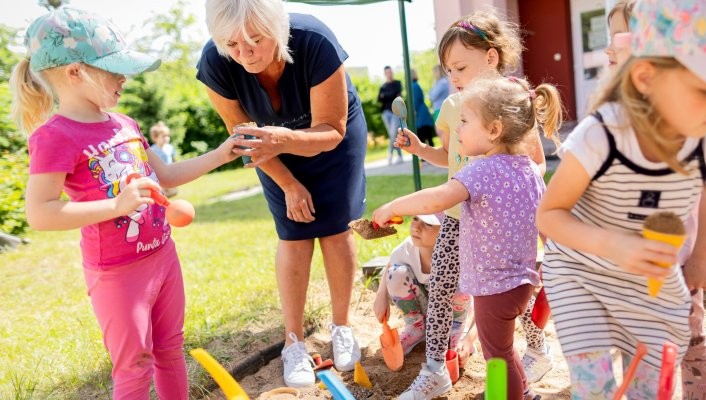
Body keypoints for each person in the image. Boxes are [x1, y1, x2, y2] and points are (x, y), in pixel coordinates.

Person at [536, 0, 706, 398]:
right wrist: (612, 243)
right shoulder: (603, 134)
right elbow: (549, 215)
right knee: (596, 385)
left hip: (648, 280)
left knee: (651, 386)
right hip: (580, 272)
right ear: (646, 77)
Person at [11, 7, 238, 399]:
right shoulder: (55, 136)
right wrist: (117, 207)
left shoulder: (126, 124)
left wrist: (222, 153)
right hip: (117, 273)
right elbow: (40, 212)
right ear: (75, 72)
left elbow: (164, 177)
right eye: (114, 69)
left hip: (163, 255)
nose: (124, 78)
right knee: (134, 365)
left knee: (170, 349)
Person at [196, 0, 368, 388]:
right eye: (232, 45)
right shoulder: (215, 61)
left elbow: (331, 130)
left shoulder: (315, 41)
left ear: (277, 27)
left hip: (330, 140)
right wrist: (288, 182)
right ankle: (293, 341)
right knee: (293, 233)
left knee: (337, 228)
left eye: (255, 40)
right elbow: (244, 138)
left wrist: (284, 138)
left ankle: (342, 326)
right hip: (268, 149)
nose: (244, 54)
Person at [393, 11, 555, 399]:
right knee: (450, 289)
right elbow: (448, 157)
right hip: (458, 215)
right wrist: (419, 150)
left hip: (500, 224)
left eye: (461, 67)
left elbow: (536, 162)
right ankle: (436, 368)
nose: (455, 77)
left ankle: (534, 351)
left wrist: (516, 196)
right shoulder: (453, 106)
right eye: (449, 70)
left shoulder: (516, 103)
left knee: (510, 299)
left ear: (492, 58)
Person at [604, 2, 706, 397]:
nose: (608, 51)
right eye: (610, 43)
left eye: (619, 40)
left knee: (688, 342)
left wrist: (704, 256)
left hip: (679, 267)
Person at [372, 213, 474, 356]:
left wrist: (468, 340)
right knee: (395, 273)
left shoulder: (461, 253)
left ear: (447, 229)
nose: (416, 227)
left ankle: (456, 330)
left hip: (454, 312)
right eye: (415, 219)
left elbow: (487, 303)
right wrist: (381, 295)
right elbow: (391, 264)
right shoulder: (407, 248)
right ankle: (417, 327)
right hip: (426, 305)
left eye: (428, 224)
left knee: (460, 286)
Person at [378, 65, 404, 164]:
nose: (389, 74)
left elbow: (397, 95)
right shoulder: (383, 86)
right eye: (387, 73)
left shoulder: (397, 83)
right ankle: (400, 156)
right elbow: (379, 99)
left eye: (390, 72)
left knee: (393, 133)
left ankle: (389, 154)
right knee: (392, 135)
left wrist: (386, 96)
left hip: (395, 111)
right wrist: (390, 95)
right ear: (385, 74)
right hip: (385, 113)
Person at [149, 121, 179, 197]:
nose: (166, 138)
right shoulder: (152, 150)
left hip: (170, 172)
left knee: (173, 191)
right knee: (161, 191)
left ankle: (168, 193)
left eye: (168, 136)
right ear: (155, 137)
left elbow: (173, 159)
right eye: (163, 136)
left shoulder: (170, 147)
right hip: (159, 174)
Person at [410, 69, 436, 147]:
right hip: (423, 112)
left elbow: (415, 101)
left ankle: (426, 157)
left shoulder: (413, 86)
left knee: (422, 136)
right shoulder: (416, 85)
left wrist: (413, 111)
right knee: (428, 136)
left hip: (420, 115)